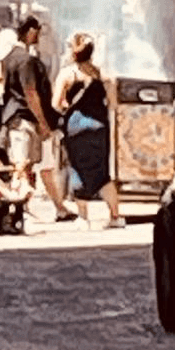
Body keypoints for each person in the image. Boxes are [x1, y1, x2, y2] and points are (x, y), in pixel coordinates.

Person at [1, 16, 73, 221]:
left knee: (38, 166)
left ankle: (58, 207)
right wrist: (43, 122)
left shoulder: (10, 58)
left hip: (19, 117)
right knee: (23, 165)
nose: (39, 37)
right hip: (26, 120)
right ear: (30, 31)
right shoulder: (26, 61)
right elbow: (31, 93)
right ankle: (16, 210)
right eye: (38, 33)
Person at [53, 33, 123, 228]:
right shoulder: (102, 75)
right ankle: (115, 216)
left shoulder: (67, 75)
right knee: (102, 173)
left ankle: (84, 218)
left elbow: (56, 103)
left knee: (77, 169)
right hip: (99, 127)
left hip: (75, 127)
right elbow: (113, 103)